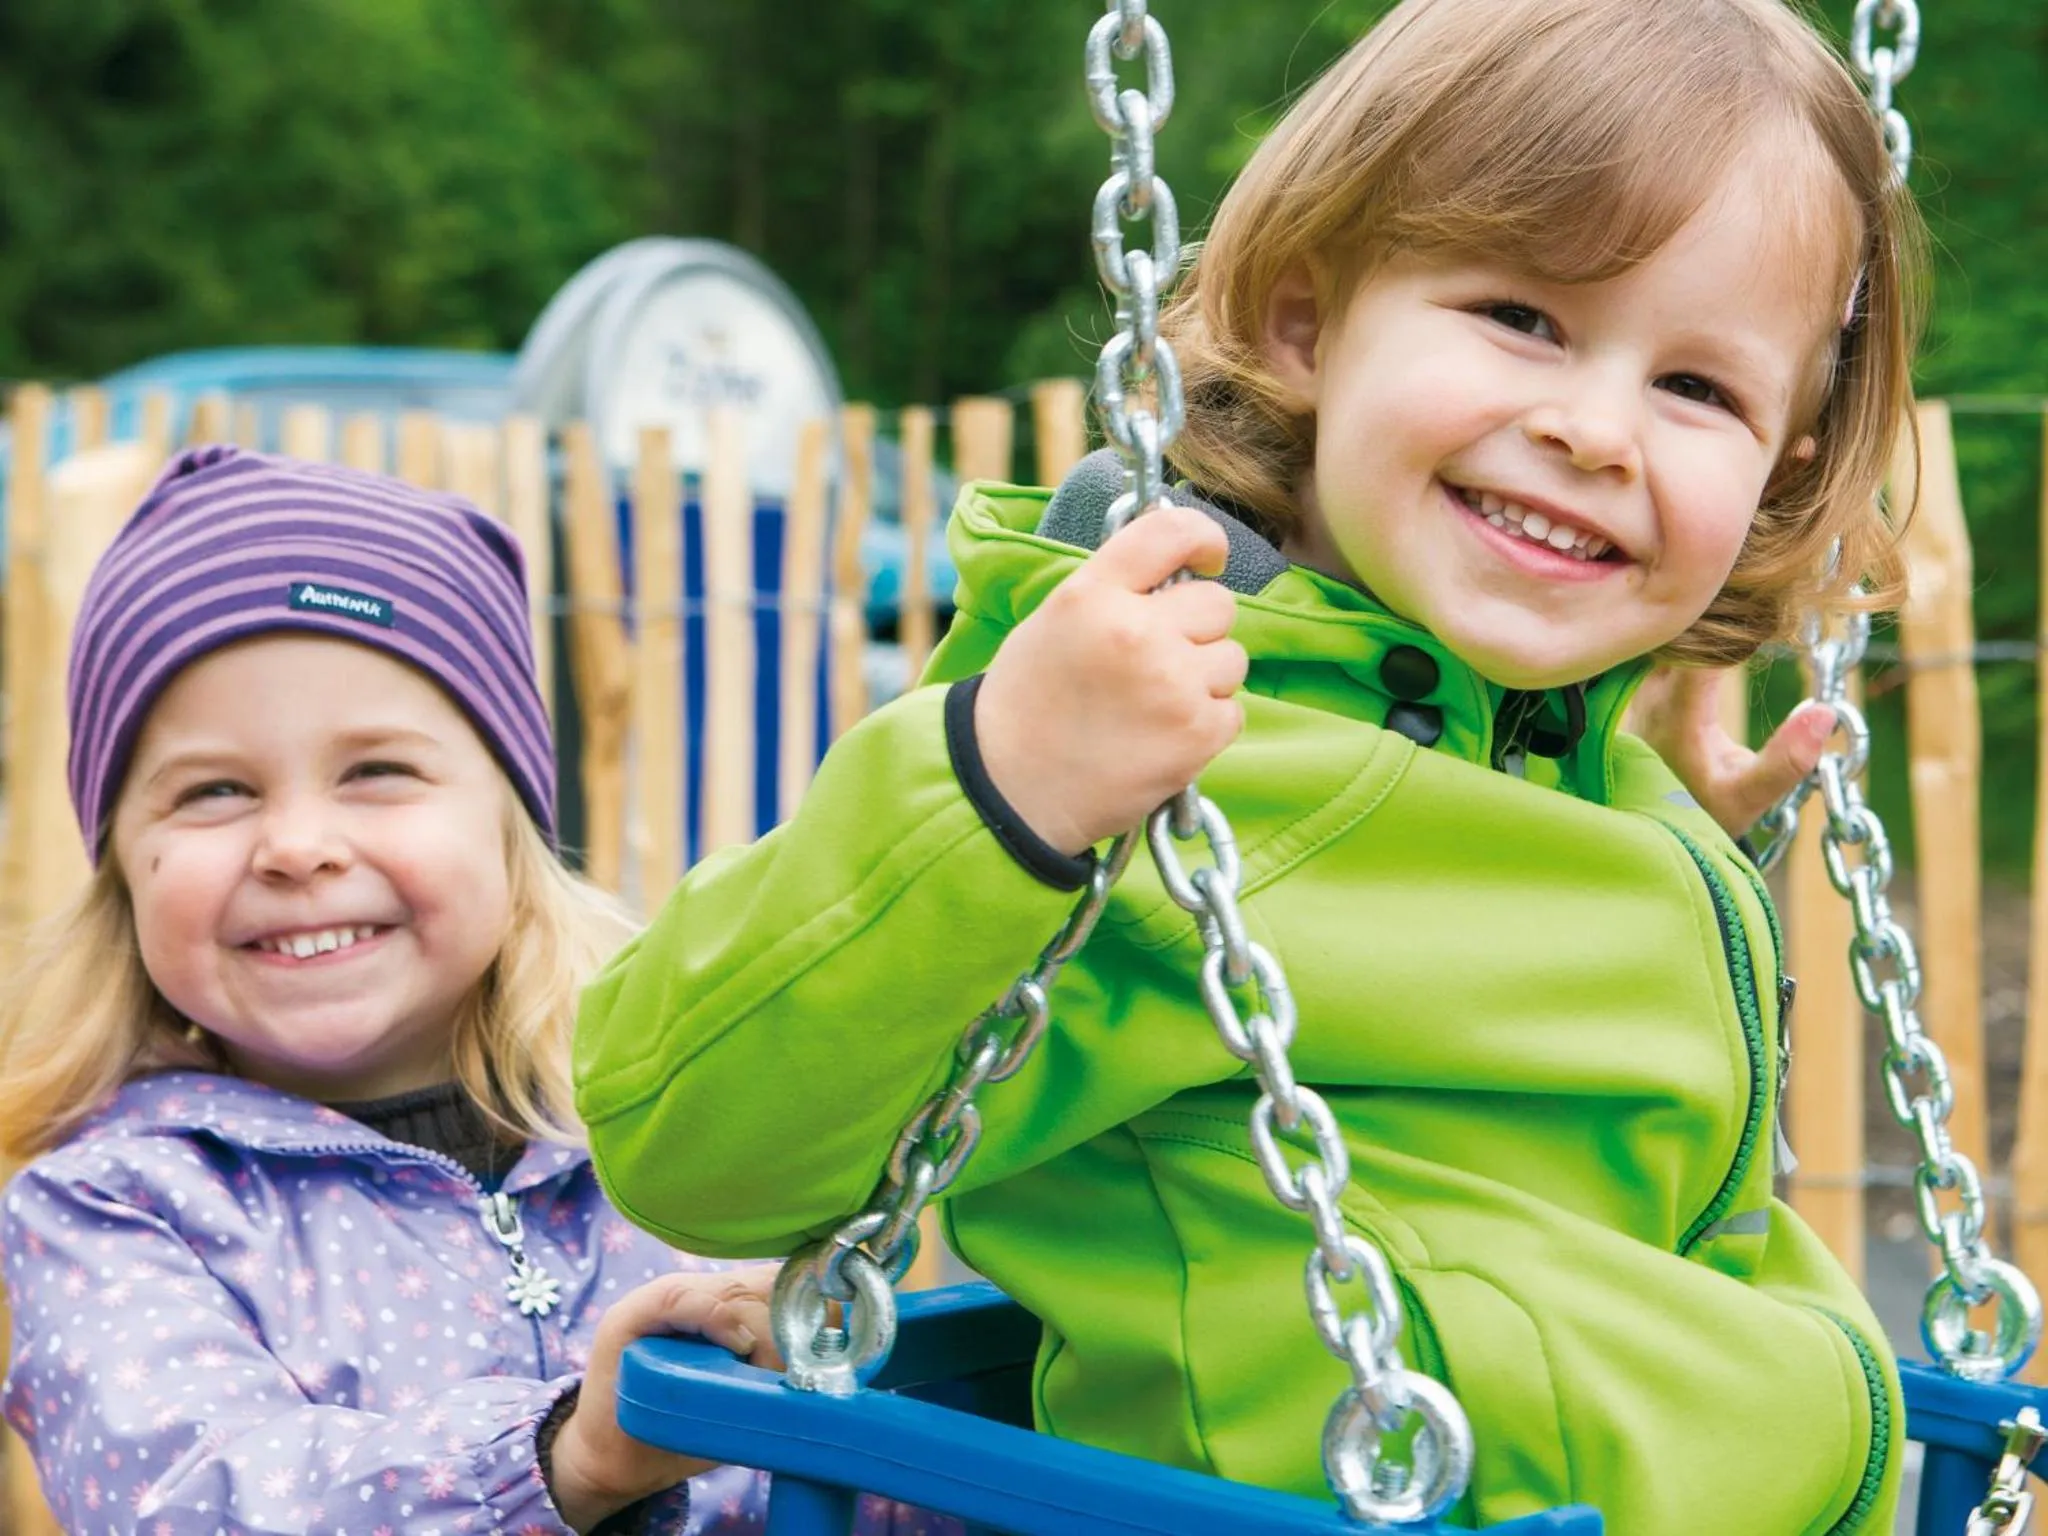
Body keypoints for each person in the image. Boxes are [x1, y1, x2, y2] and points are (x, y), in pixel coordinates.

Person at [575, 0, 1921, 1527]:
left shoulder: (1593, 788)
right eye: (1523, 317)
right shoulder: (1150, 773)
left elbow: (1561, 1201)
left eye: (1699, 389)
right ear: (1304, 322)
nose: (1600, 430)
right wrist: (1005, 795)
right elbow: (685, 1134)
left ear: (1779, 465)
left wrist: (1685, 888)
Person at [0, 448, 939, 1535]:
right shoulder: (117, 1204)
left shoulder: (683, 1132)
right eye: (214, 790)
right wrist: (571, 1454)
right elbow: (187, 1502)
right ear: (120, 865)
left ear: (510, 826)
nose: (298, 846)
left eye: (375, 771)